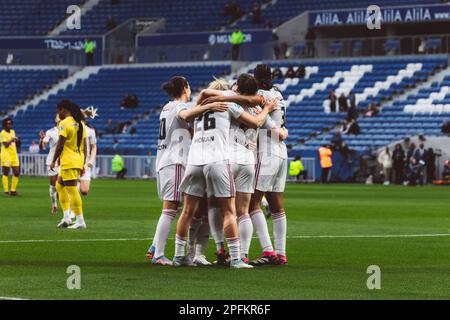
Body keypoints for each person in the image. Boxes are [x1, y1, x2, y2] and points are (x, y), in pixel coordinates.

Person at [173, 75, 276, 269]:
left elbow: (191, 118)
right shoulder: (229, 104)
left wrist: (203, 105)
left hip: (195, 160)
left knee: (187, 211)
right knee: (230, 211)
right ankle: (236, 258)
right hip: (217, 160)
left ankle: (180, 256)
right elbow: (255, 122)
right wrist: (268, 109)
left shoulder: (199, 107)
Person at [195, 75, 286, 265]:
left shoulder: (228, 103)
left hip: (226, 158)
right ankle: (242, 254)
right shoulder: (258, 108)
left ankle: (221, 248)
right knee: (243, 212)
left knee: (216, 204)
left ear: (238, 89)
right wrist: (278, 124)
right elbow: (279, 132)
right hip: (248, 160)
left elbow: (207, 98)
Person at [145, 76, 230, 266]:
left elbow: (186, 128)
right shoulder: (178, 107)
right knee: (170, 210)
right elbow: (185, 116)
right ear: (185, 88)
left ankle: (154, 246)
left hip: (164, 161)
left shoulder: (166, 108)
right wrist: (209, 107)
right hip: (175, 161)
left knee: (175, 209)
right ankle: (158, 254)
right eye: (189, 86)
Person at [51, 100, 87, 229]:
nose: (58, 113)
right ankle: (66, 218)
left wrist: (53, 160)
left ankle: (80, 221)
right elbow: (84, 145)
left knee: (72, 190)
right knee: (59, 186)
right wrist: (83, 162)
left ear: (64, 109)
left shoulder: (64, 123)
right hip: (77, 158)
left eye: (59, 110)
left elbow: (60, 144)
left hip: (68, 160)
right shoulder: (81, 124)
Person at [39, 115, 60, 214]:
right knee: (53, 186)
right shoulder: (50, 132)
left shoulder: (69, 129)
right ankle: (54, 204)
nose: (60, 117)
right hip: (52, 161)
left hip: (64, 161)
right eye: (58, 116)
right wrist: (41, 140)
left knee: (63, 185)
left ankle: (69, 207)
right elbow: (43, 146)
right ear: (55, 120)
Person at [79, 107, 98, 196]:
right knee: (71, 187)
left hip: (86, 163)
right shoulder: (72, 129)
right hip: (74, 161)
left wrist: (91, 160)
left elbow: (94, 147)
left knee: (84, 191)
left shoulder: (90, 131)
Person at [1, 117, 20, 196]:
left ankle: (13, 190)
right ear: (5, 125)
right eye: (8, 124)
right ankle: (6, 191)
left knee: (16, 172)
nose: (10, 125)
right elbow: (5, 144)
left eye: (11, 123)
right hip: (6, 155)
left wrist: (18, 140)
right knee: (6, 172)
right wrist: (12, 139)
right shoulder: (2, 133)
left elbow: (16, 144)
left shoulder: (13, 131)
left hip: (14, 154)